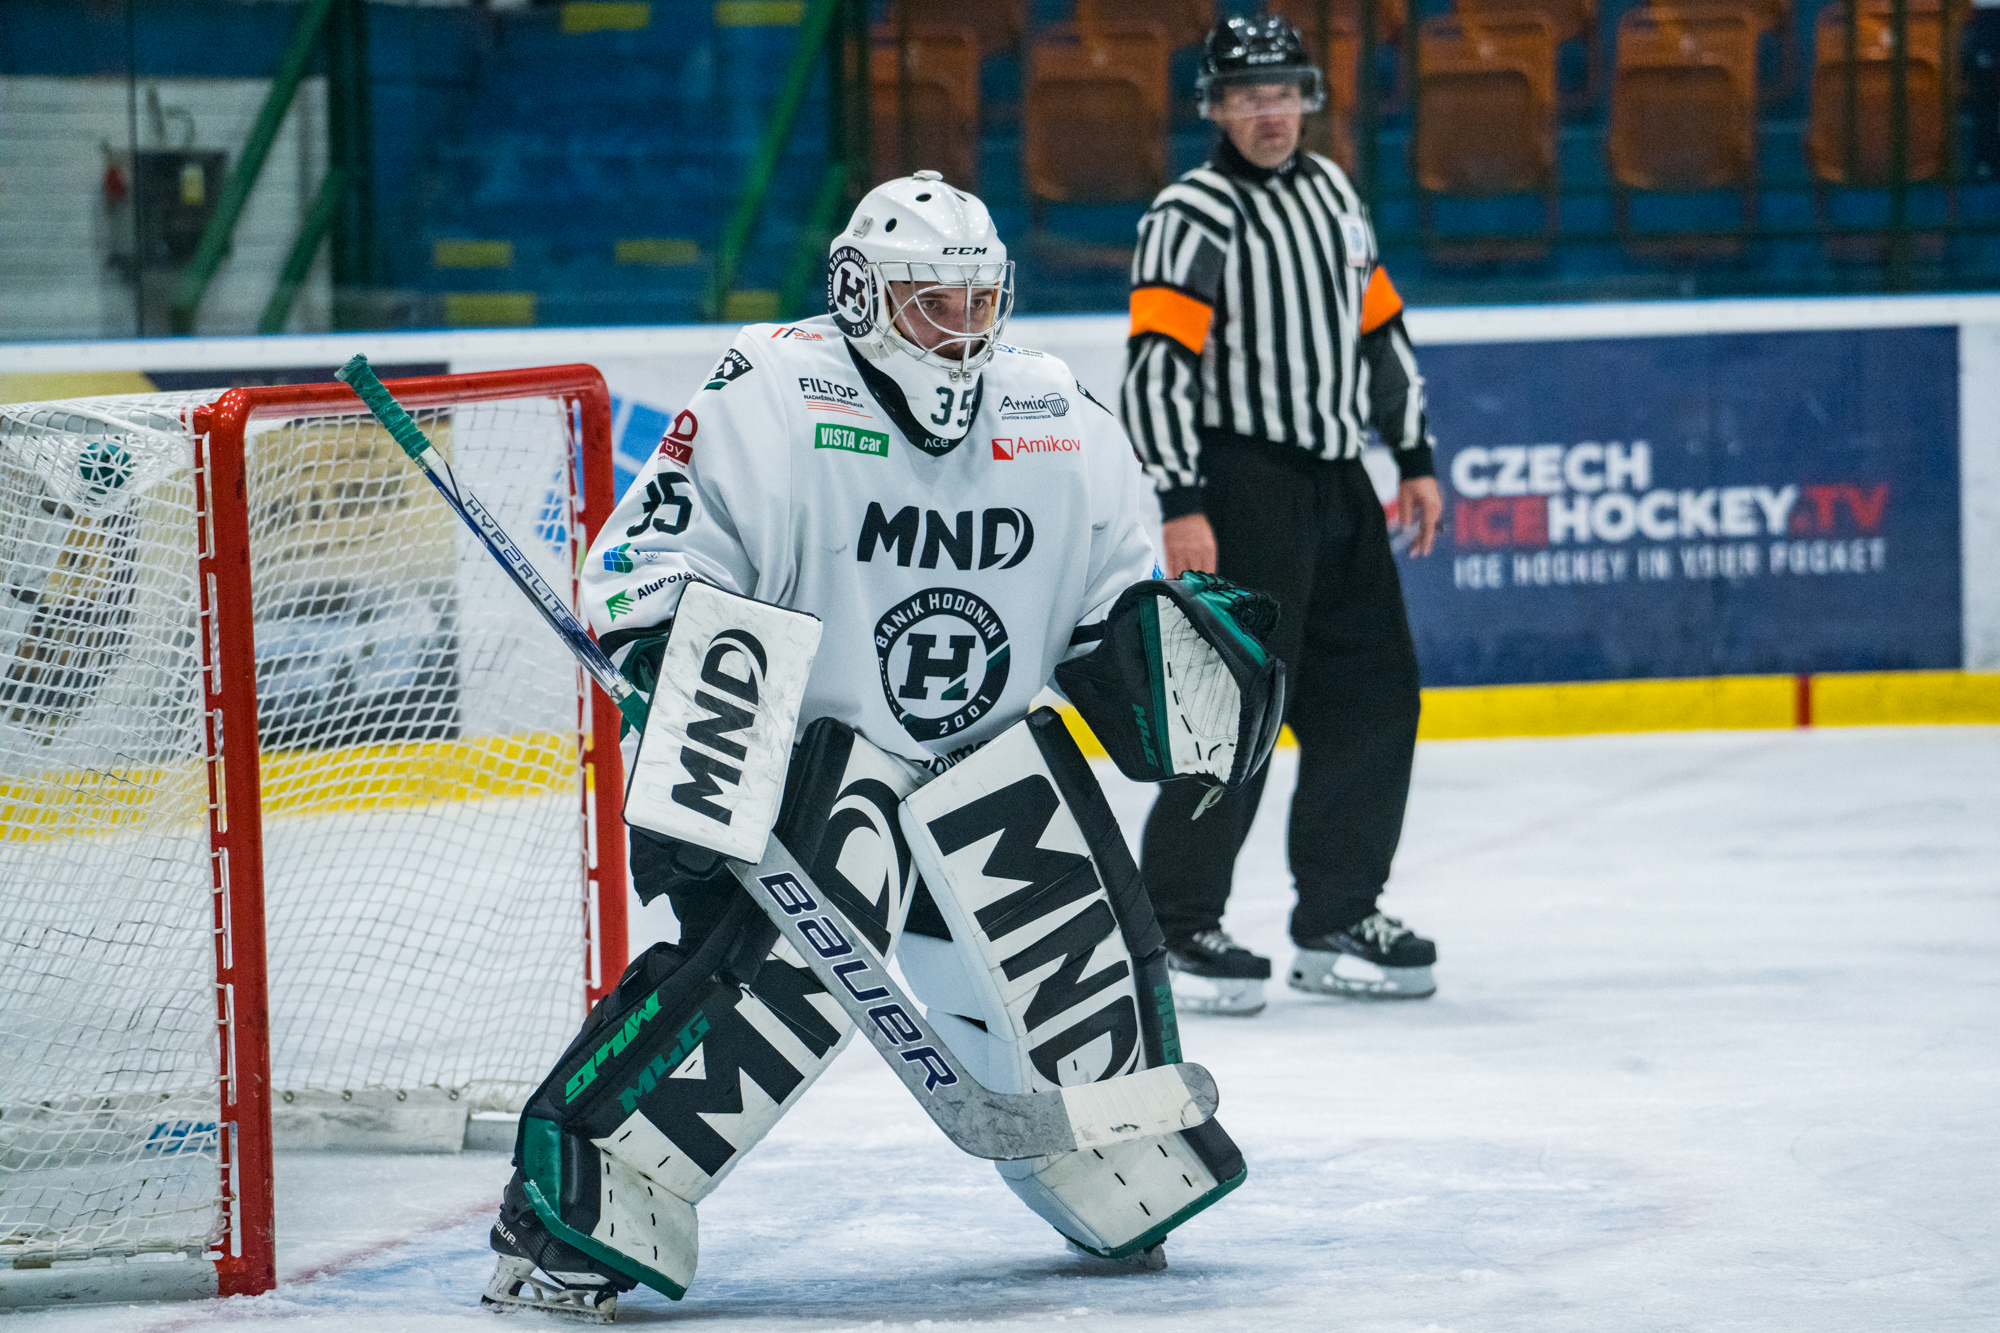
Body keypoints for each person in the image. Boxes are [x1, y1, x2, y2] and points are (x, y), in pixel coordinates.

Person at [480, 172, 1279, 1321]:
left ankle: (1104, 1159)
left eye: (975, 303)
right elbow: (641, 567)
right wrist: (666, 656)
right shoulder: (771, 391)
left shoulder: (1054, 413)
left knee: (1070, 939)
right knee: (768, 988)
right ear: (860, 295)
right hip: (793, 762)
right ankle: (577, 1199)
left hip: (980, 761)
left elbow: (1112, 610)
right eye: (926, 304)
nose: (958, 333)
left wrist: (1171, 676)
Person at [1119, 16, 1445, 1016]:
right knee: (1232, 711)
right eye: (1245, 96)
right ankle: (1173, 925)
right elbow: (1154, 371)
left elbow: (1378, 328)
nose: (1267, 113)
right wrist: (1180, 501)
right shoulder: (1191, 214)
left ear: (1307, 97)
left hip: (1336, 478)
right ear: (1213, 107)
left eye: (1283, 93)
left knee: (1373, 695)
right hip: (1239, 482)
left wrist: (1414, 454)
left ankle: (1337, 912)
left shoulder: (1333, 195)